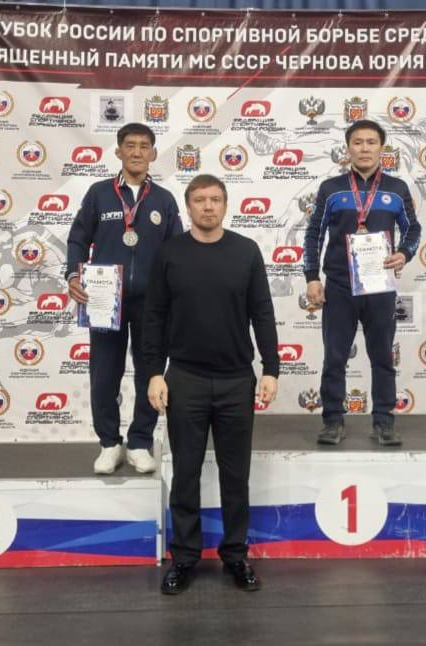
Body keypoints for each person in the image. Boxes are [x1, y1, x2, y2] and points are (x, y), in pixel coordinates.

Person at [143, 174, 279, 595]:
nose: (208, 206)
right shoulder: (170, 253)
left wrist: (271, 368)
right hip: (185, 379)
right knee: (185, 473)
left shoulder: (246, 251)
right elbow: (153, 317)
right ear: (188, 207)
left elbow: (262, 312)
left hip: (237, 380)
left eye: (215, 199)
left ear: (225, 205)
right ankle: (184, 558)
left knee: (235, 476)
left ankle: (236, 556)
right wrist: (154, 373)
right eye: (200, 200)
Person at [66, 123, 182, 475]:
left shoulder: (163, 199)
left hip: (152, 303)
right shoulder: (99, 194)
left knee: (150, 372)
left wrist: (178, 292)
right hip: (105, 300)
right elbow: (77, 238)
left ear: (153, 153)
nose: (136, 152)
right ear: (118, 151)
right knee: (104, 375)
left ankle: (140, 442)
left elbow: (176, 251)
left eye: (144, 146)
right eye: (129, 145)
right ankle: (109, 444)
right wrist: (73, 275)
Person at [304, 119, 421, 446]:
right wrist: (312, 277)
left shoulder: (396, 188)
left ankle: (384, 421)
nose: (365, 148)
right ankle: (332, 421)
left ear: (381, 148)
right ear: (348, 148)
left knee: (382, 356)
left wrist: (404, 253)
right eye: (358, 142)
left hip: (379, 285)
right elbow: (314, 234)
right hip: (340, 286)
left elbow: (413, 229)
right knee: (335, 356)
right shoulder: (331, 188)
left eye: (371, 142)